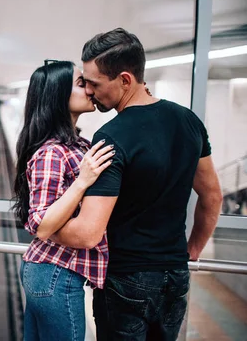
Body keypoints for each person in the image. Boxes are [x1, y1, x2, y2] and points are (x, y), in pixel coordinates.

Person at [49, 28, 223, 340]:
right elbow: (212, 197)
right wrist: (191, 251)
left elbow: (88, 233)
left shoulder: (112, 136)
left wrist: (44, 229)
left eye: (95, 83)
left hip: (127, 279)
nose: (88, 90)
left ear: (125, 80)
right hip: (175, 277)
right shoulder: (189, 122)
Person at [12, 60, 115, 341]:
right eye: (82, 84)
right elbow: (41, 224)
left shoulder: (77, 145)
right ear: (58, 96)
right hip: (55, 275)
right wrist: (82, 181)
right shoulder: (52, 153)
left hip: (52, 273)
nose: (91, 90)